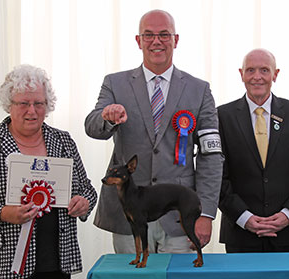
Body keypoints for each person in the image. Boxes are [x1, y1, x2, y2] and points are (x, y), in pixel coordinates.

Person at [85, 9, 223, 254]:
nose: (156, 41)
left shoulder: (199, 89)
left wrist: (207, 213)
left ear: (175, 40)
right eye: (148, 35)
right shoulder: (114, 83)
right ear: (138, 41)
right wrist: (107, 117)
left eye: (163, 34)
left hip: (179, 217)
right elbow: (92, 126)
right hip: (129, 215)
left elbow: (211, 155)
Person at [0, 64, 97, 279]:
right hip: (6, 264)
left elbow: (87, 189)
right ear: (8, 105)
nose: (32, 110)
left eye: (39, 103)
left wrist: (84, 202)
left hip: (58, 261)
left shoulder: (63, 140)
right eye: (23, 103)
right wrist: (3, 213)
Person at [218, 48, 289, 252]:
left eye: (264, 70)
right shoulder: (221, 116)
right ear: (241, 74)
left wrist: (287, 214)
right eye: (250, 70)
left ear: (275, 74)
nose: (257, 77)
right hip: (240, 234)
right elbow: (216, 176)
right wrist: (244, 217)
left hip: (286, 234)